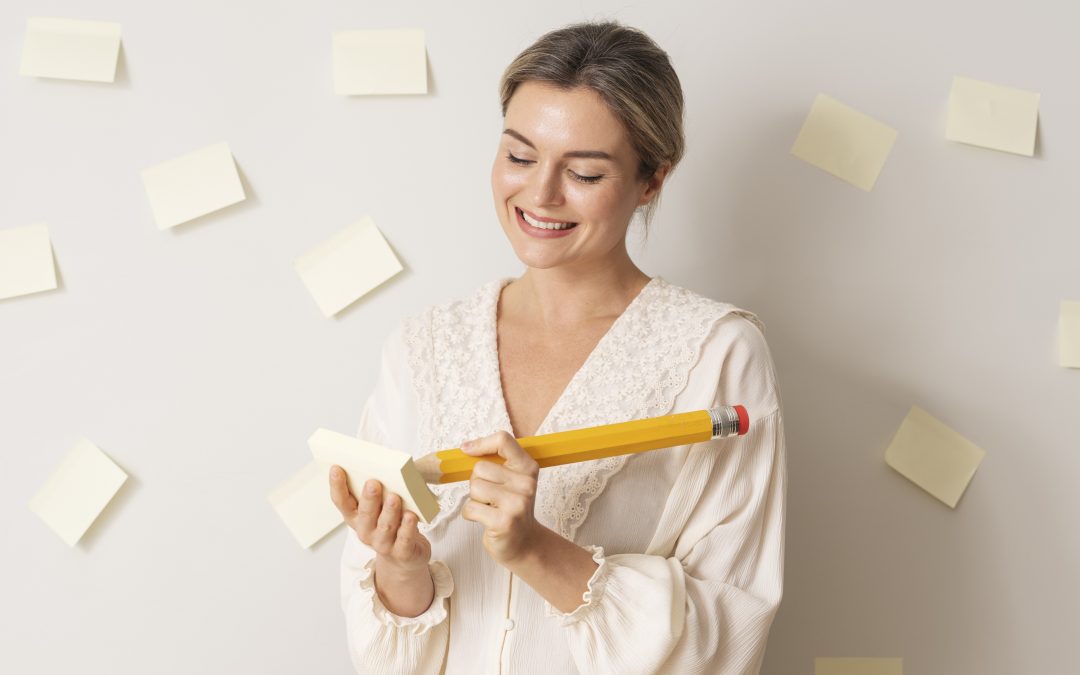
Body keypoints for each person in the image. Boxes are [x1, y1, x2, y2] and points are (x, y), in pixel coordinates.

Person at [329, 21, 787, 675]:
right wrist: (401, 569)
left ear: (652, 180)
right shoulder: (422, 345)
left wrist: (534, 549)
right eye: (520, 157)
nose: (541, 194)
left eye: (584, 172)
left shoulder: (719, 353)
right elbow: (386, 652)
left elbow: (729, 635)